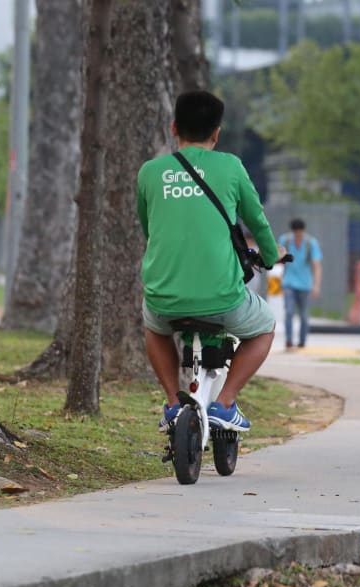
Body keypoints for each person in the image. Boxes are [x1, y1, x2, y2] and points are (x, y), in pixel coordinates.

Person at [136, 90, 284, 434]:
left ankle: (173, 404)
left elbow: (149, 228)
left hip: (164, 296)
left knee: (154, 325)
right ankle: (226, 402)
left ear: (174, 127)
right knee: (264, 326)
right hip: (223, 299)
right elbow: (256, 220)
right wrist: (272, 254)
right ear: (217, 133)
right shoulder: (231, 167)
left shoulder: (149, 172)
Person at [278, 218, 322, 349]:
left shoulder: (311, 243)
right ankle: (289, 340)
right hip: (289, 282)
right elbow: (278, 259)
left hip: (305, 284)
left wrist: (316, 285)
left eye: (300, 232)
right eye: (295, 232)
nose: (298, 235)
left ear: (303, 231)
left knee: (303, 315)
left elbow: (316, 264)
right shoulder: (285, 240)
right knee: (289, 312)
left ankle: (302, 341)